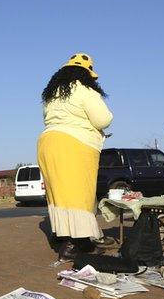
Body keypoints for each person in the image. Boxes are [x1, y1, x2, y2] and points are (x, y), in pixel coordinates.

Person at [37, 53, 113, 261]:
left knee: (59, 196)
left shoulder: (52, 94)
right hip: (73, 144)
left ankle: (62, 236)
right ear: (87, 74)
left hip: (47, 143)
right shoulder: (84, 89)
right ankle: (76, 245)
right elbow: (103, 119)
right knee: (80, 195)